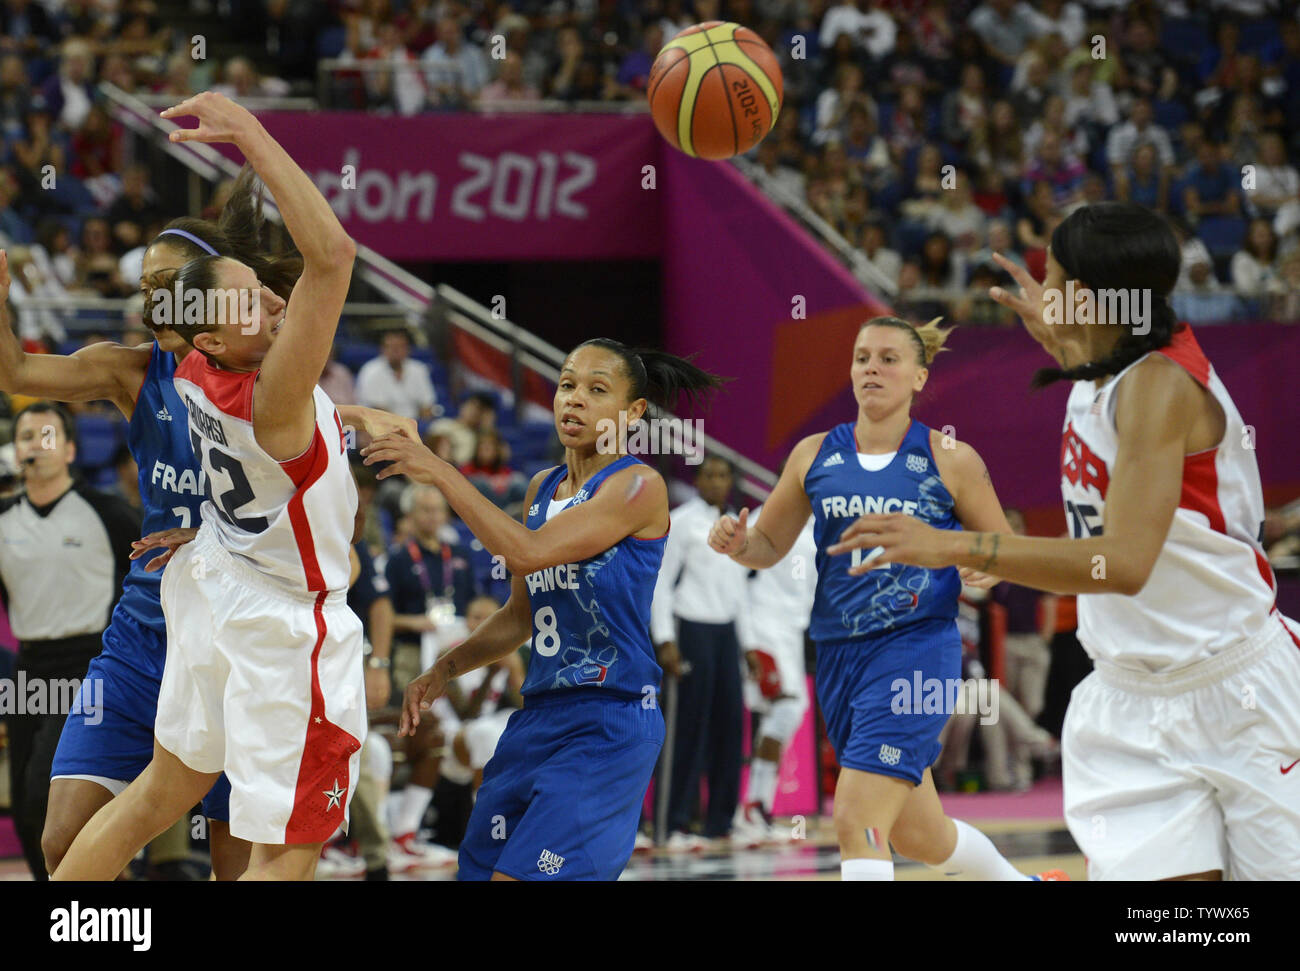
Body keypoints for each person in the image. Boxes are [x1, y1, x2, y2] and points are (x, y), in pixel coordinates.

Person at [837, 202, 1300, 879]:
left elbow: (1124, 562)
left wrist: (956, 544)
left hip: (1236, 693)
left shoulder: (1158, 388)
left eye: (1051, 277)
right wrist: (1058, 339)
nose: (1042, 288)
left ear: (1084, 296)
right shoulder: (1102, 359)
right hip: (1132, 695)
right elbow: (1094, 360)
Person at [51, 91, 387, 882]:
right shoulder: (274, 398)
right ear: (209, 336)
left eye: (266, 288)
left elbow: (224, 302)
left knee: (154, 796)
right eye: (255, 300)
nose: (276, 300)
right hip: (283, 624)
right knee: (290, 852)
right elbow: (332, 257)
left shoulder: (193, 367)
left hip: (212, 590)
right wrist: (251, 135)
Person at [709, 316, 1064, 881]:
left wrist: (977, 568)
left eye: (888, 359)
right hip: (839, 656)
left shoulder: (952, 459)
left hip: (916, 650)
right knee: (921, 835)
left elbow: (1003, 554)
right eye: (862, 357)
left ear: (920, 378)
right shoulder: (812, 455)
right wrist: (739, 544)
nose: (871, 367)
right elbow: (768, 545)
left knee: (856, 816)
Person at [362, 337, 723, 880]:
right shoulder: (541, 489)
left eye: (596, 390)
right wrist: (446, 668)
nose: (573, 399)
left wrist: (438, 469)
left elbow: (527, 551)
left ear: (633, 413)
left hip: (609, 720)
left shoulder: (638, 486)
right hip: (538, 717)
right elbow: (521, 612)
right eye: (566, 384)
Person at [0, 400, 140, 879]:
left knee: (47, 791)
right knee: (21, 797)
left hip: (90, 665)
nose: (34, 446)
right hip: (28, 663)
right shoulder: (3, 519)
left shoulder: (108, 513)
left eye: (46, 435)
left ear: (71, 450)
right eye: (24, 437)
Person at [651, 454, 751, 849]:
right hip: (690, 627)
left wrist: (747, 647)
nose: (715, 480)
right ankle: (672, 822)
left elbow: (739, 588)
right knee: (687, 727)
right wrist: (664, 638)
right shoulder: (684, 520)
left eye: (723, 474)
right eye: (708, 474)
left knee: (730, 727)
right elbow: (660, 580)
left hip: (728, 632)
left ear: (731, 481)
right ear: (697, 480)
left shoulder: (740, 525)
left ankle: (720, 822)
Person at [732, 502, 817, 847]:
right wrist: (748, 639)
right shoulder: (765, 516)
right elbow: (736, 574)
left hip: (793, 630)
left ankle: (755, 808)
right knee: (785, 709)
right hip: (765, 624)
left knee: (785, 712)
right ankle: (753, 807)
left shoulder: (818, 521)